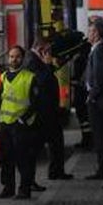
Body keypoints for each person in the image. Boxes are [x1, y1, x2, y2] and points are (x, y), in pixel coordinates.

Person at [0, 45, 41, 200]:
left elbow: (35, 104)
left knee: (23, 159)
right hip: (5, 124)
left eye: (17, 57)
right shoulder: (3, 76)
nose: (14, 59)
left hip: (21, 126)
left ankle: (24, 190)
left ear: (23, 58)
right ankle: (8, 188)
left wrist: (23, 119)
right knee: (7, 159)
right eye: (12, 57)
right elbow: (0, 100)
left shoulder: (29, 77)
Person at [26, 38, 72, 182]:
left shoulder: (37, 60)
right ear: (41, 49)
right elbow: (41, 81)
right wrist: (47, 65)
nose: (50, 54)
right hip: (42, 111)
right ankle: (31, 180)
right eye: (48, 51)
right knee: (37, 146)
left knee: (56, 142)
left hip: (50, 110)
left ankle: (57, 171)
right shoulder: (32, 61)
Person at [85, 19, 103, 180]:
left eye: (91, 31)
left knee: (100, 136)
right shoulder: (96, 49)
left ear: (96, 33)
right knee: (100, 136)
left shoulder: (99, 50)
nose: (88, 33)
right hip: (98, 99)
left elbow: (99, 77)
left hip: (99, 101)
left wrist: (91, 96)